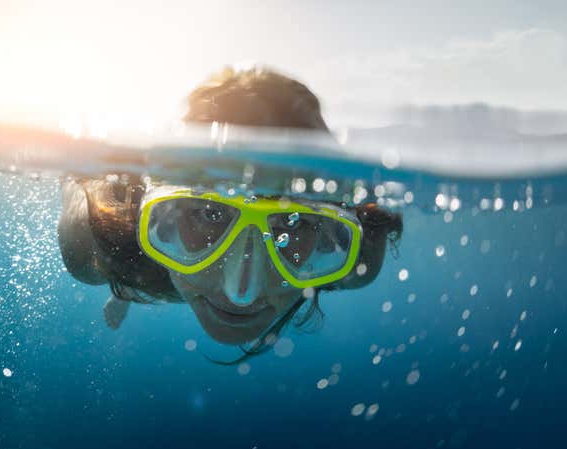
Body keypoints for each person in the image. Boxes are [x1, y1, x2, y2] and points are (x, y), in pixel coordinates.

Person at [58, 66, 402, 359]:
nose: (242, 294)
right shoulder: (89, 243)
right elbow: (76, 181)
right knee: (114, 264)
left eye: (293, 225)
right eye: (209, 215)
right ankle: (125, 288)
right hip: (128, 250)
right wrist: (123, 279)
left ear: (329, 233)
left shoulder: (355, 259)